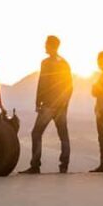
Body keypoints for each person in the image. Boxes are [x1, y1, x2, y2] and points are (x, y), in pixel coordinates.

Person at [20, 35, 73, 174]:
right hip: (60, 106)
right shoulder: (65, 63)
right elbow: (70, 86)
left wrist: (39, 103)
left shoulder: (46, 62)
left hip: (49, 105)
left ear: (51, 45)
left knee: (36, 133)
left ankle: (35, 166)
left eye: (46, 44)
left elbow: (42, 83)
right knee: (63, 135)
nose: (44, 46)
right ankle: (64, 166)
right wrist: (65, 104)